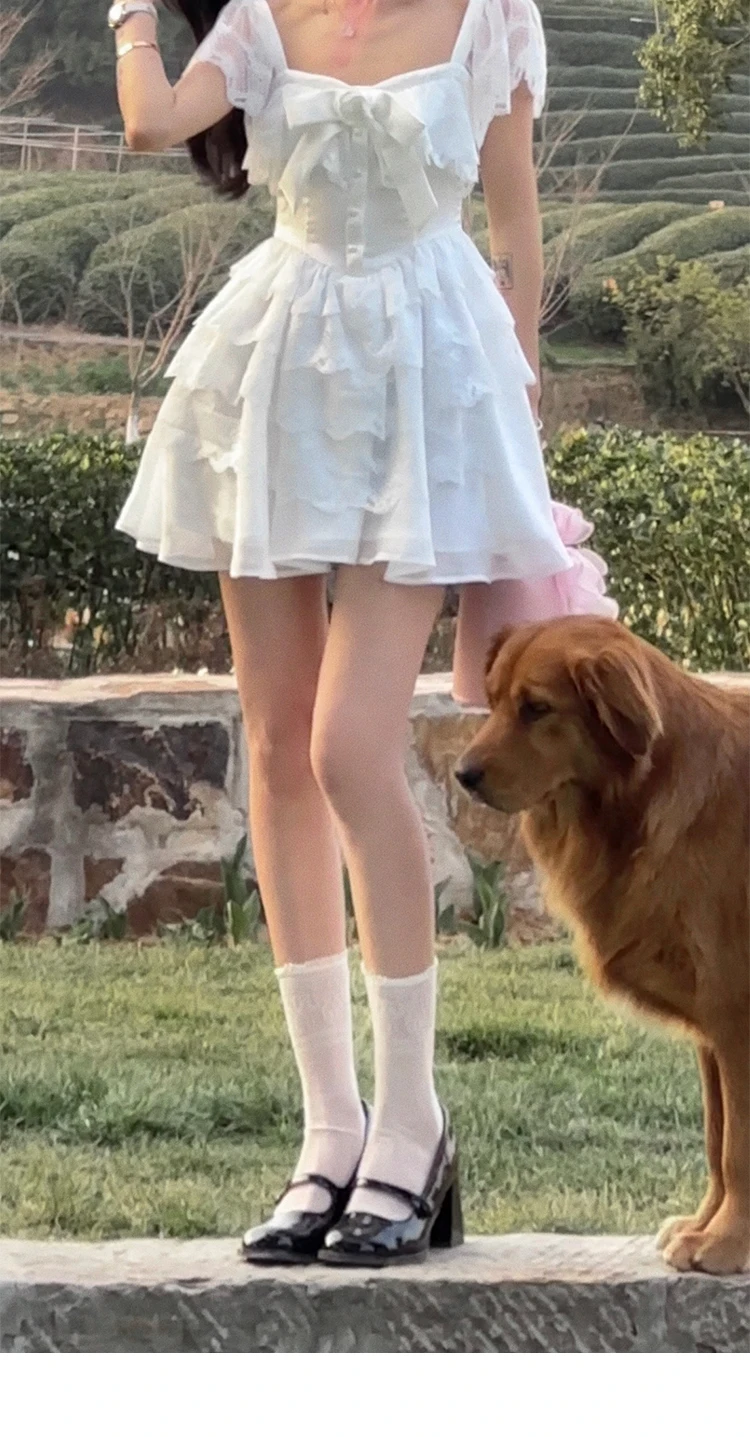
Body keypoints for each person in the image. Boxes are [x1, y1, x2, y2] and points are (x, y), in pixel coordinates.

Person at [110, 0, 617, 1267]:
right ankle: (330, 1136)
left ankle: (411, 1128)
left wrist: (515, 399)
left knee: (348, 748)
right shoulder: (259, 18)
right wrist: (126, 14)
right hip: (274, 366)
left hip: (427, 375)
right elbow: (150, 121)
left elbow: (514, 229)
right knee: (281, 750)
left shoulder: (492, 17)